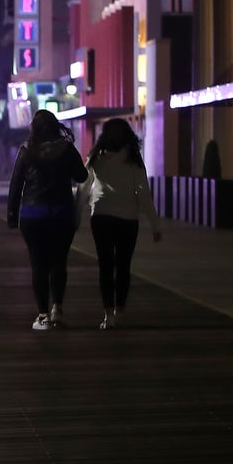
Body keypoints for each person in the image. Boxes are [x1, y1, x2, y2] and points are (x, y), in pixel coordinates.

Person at [6, 109, 88, 330]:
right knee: (59, 262)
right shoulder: (67, 149)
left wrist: (12, 215)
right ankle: (57, 309)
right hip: (62, 214)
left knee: (38, 264)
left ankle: (42, 316)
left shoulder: (27, 150)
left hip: (33, 216)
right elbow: (82, 176)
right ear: (55, 126)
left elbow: (16, 185)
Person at [81, 117, 162, 329]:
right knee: (123, 266)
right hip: (128, 218)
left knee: (105, 265)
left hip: (101, 215)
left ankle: (108, 314)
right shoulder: (133, 159)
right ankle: (119, 311)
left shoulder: (96, 156)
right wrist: (155, 224)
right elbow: (143, 192)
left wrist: (75, 215)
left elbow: (84, 186)